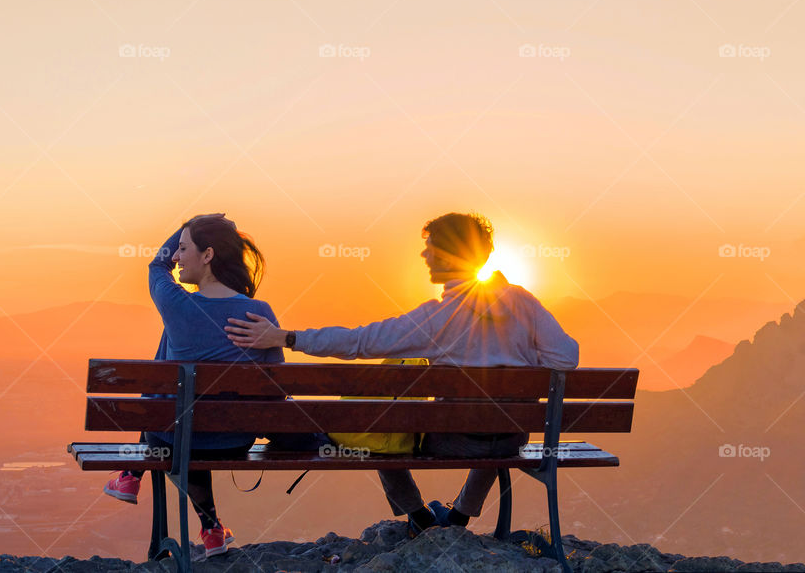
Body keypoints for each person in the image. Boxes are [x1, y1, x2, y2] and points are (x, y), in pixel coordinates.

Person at [224, 212, 579, 536]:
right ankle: (458, 518)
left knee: (383, 429)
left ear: (448, 255)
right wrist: (517, 358)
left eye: (430, 249)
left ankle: (420, 516)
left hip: (452, 441)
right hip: (512, 438)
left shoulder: (437, 318)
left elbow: (360, 342)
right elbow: (566, 357)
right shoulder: (524, 302)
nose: (424, 256)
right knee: (492, 422)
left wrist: (287, 338)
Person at [103, 213, 283, 558]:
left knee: (178, 417)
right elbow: (275, 389)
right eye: (178, 249)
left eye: (184, 249)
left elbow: (157, 264)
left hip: (173, 438)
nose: (177, 257)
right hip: (235, 439)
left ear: (208, 255)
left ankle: (130, 475)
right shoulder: (260, 311)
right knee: (182, 398)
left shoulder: (177, 304)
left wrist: (194, 220)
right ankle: (212, 530)